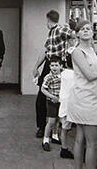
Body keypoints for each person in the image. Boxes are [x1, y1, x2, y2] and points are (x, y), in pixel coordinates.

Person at [67, 20, 97, 169]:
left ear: (92, 32)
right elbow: (89, 74)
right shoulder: (77, 51)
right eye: (82, 29)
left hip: (88, 96)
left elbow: (94, 69)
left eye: (88, 28)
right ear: (77, 34)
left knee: (81, 139)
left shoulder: (91, 50)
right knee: (93, 143)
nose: (86, 31)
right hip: (84, 98)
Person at [32, 10, 75, 139]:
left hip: (58, 63)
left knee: (59, 95)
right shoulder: (51, 33)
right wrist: (36, 67)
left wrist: (71, 50)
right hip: (49, 64)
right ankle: (43, 127)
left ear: (48, 20)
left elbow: (73, 34)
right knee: (42, 95)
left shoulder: (60, 29)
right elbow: (45, 51)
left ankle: (57, 127)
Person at [40, 56, 74, 159]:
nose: (54, 67)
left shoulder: (64, 74)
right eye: (52, 65)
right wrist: (52, 96)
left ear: (61, 66)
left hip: (61, 101)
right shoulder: (48, 77)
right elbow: (43, 89)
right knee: (51, 121)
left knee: (58, 120)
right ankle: (45, 139)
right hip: (52, 101)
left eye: (56, 65)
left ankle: (55, 135)